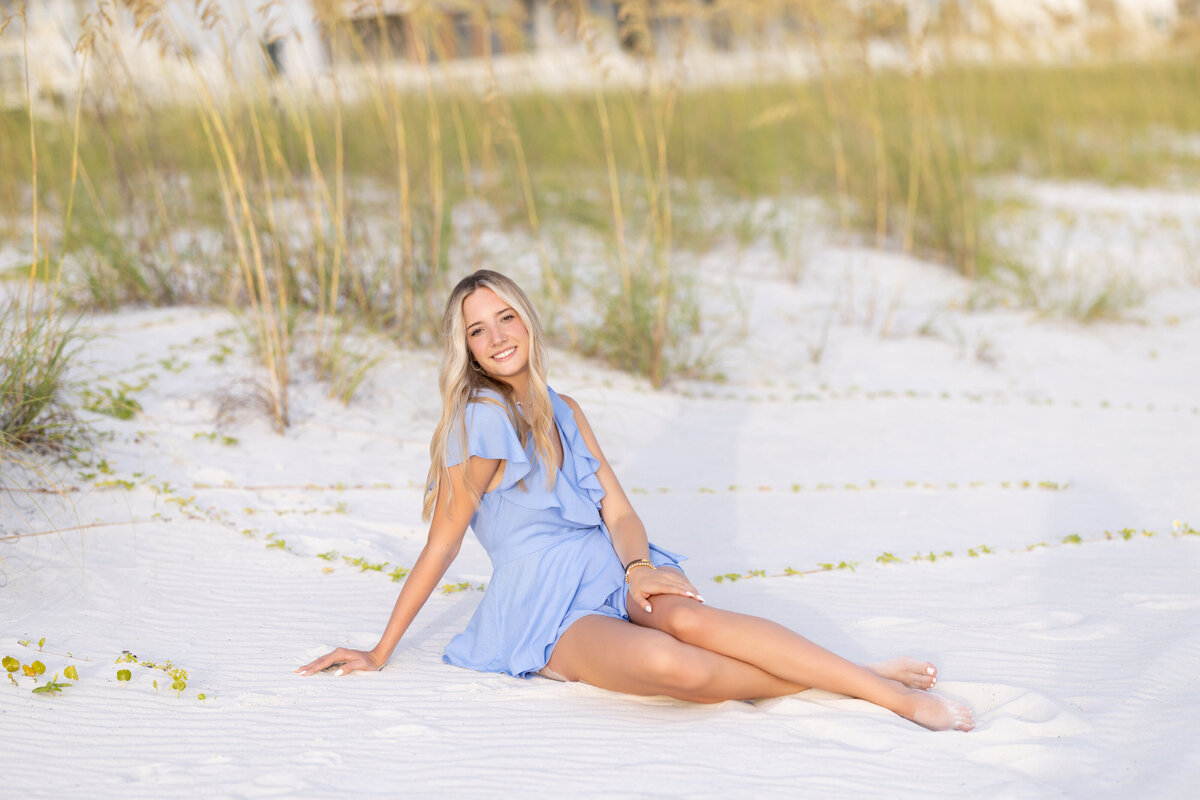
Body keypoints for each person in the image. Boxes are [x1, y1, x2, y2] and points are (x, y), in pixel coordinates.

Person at [297, 269, 975, 732]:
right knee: (671, 665)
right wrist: (382, 648)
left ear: (529, 323)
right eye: (478, 329)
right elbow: (443, 541)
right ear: (465, 348)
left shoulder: (563, 407)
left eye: (507, 318)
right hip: (543, 607)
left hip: (606, 567)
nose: (498, 336)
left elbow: (618, 512)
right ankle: (849, 677)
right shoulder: (482, 418)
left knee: (693, 622)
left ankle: (885, 694)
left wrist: (637, 568)